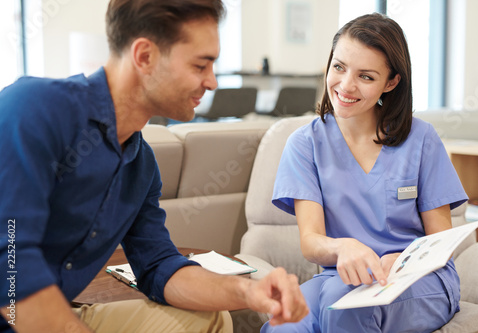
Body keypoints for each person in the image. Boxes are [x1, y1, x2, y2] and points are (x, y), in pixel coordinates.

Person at [0, 0, 309, 332]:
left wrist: (250, 291)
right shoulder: (33, 109)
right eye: (200, 65)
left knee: (209, 319)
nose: (212, 82)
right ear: (145, 56)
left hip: (57, 315)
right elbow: (11, 266)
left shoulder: (140, 164)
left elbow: (158, 266)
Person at [261, 13, 468, 333]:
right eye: (339, 67)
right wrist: (343, 248)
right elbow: (311, 240)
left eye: (366, 76)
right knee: (284, 326)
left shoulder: (422, 139)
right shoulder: (305, 144)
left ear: (391, 82)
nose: (345, 85)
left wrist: (400, 259)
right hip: (340, 277)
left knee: (346, 312)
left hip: (418, 278)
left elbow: (440, 241)